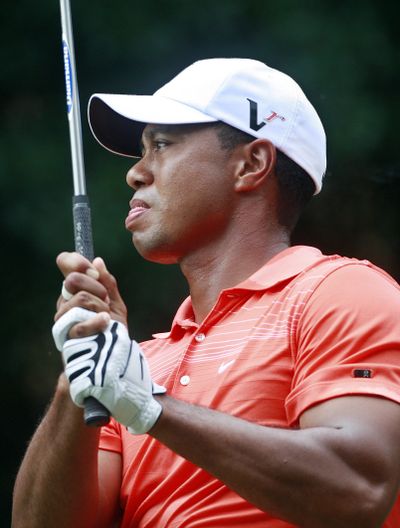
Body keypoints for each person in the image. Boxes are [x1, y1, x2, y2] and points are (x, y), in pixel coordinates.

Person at [12, 58, 400, 528]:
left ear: (251, 164)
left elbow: (359, 490)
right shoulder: (140, 364)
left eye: (161, 145)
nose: (135, 173)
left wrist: (153, 408)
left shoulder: (339, 292)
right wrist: (80, 376)